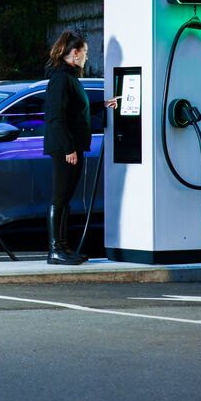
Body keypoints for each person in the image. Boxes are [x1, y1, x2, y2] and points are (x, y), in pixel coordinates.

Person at [43, 31, 116, 265]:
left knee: (65, 198)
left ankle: (63, 248)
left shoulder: (69, 77)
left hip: (72, 146)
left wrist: (102, 106)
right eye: (85, 53)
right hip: (65, 148)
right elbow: (56, 117)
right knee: (60, 197)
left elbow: (76, 112)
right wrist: (68, 149)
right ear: (74, 53)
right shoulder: (61, 79)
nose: (87, 57)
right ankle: (56, 249)